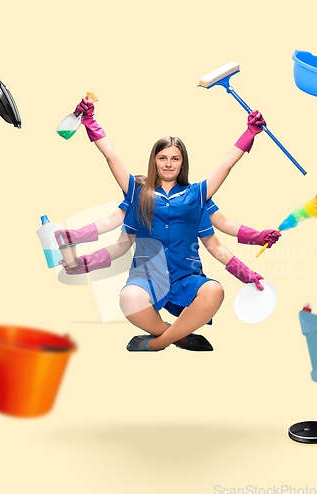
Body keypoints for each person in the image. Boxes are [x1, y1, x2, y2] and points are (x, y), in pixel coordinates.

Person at [59, 98, 280, 351]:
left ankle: (157, 343)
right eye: (162, 157)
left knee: (215, 291)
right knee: (128, 298)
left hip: (186, 277)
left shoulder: (197, 196)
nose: (168, 164)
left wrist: (250, 132)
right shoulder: (137, 193)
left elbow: (225, 172)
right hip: (146, 277)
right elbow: (112, 158)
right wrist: (90, 122)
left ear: (183, 163)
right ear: (154, 160)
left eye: (175, 159)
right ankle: (182, 338)